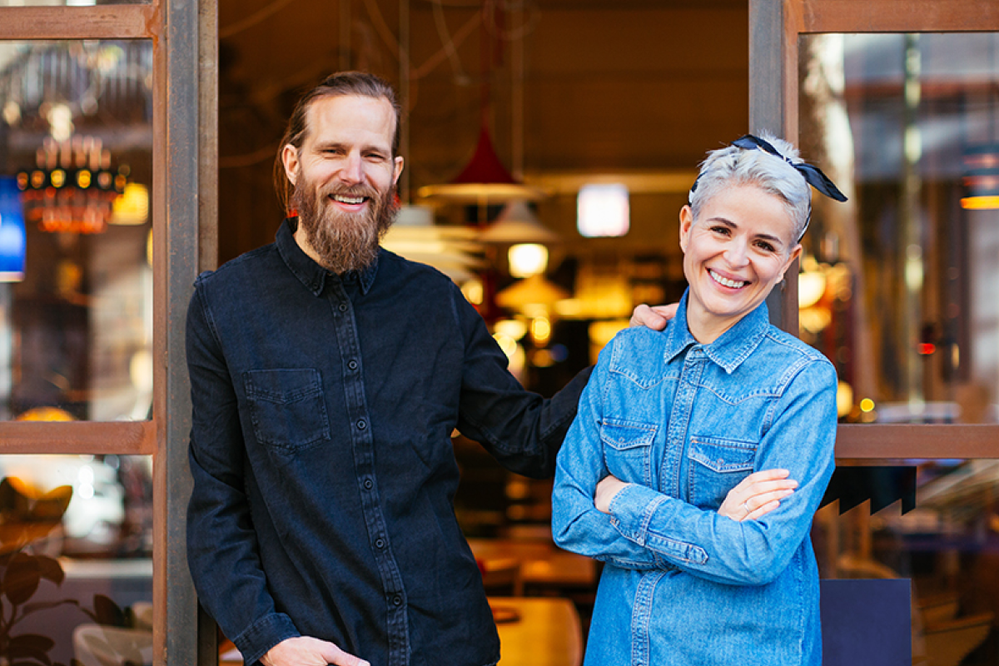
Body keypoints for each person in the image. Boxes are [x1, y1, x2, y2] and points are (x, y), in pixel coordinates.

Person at [185, 71, 794, 666]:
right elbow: (216, 506)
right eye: (332, 151)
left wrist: (621, 356)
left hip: (450, 644)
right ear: (294, 164)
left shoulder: (435, 301)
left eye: (374, 155)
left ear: (394, 174)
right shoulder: (226, 306)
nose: (354, 173)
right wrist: (268, 638)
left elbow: (526, 439)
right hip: (317, 650)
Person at [552, 132, 846, 666]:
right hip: (621, 650)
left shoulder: (802, 381)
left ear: (789, 261)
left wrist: (623, 499)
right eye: (721, 229)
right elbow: (569, 518)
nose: (736, 258)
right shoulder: (624, 357)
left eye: (764, 244)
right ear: (687, 227)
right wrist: (711, 532)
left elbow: (758, 554)